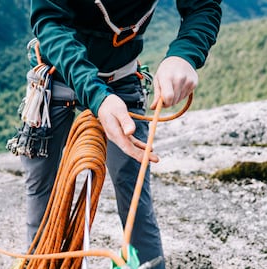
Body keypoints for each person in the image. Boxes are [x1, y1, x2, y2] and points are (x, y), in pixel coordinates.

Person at [18, 0, 222, 267]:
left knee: (134, 190)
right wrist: (97, 97)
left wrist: (185, 53)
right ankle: (40, 263)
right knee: (42, 191)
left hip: (121, 75)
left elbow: (202, 5)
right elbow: (50, 20)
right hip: (59, 72)